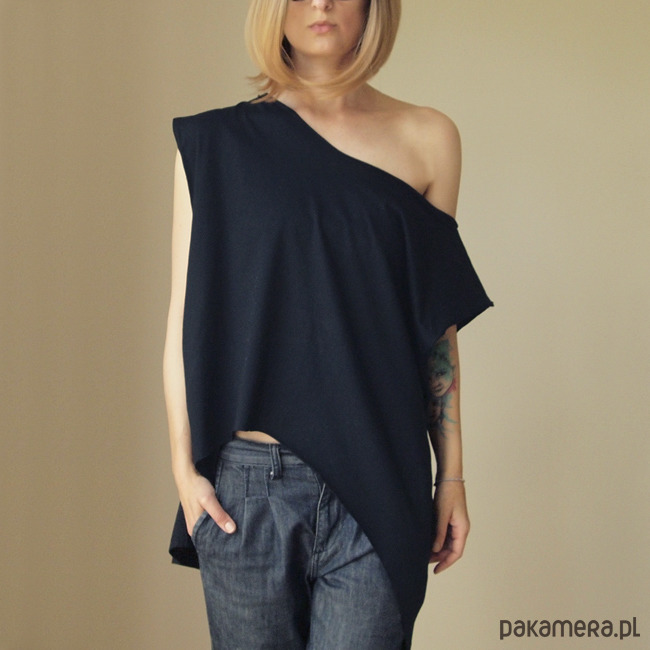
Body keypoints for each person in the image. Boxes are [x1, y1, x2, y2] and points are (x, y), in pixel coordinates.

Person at [163, 1, 492, 648]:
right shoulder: (213, 146)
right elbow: (183, 319)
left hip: (382, 477)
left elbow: (434, 325)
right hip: (247, 489)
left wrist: (451, 474)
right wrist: (183, 468)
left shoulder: (428, 138)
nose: (320, 2)